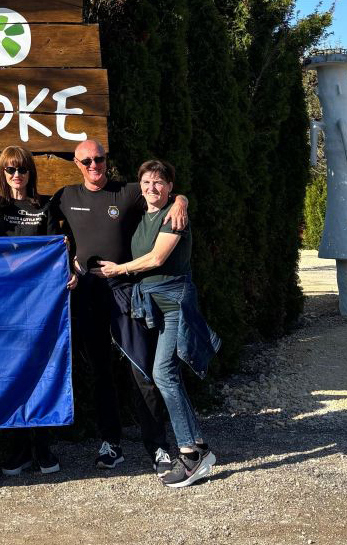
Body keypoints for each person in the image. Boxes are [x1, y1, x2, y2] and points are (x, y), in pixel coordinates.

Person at [50, 139, 185, 475]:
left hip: (126, 291)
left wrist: (182, 200)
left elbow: (162, 194)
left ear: (105, 160)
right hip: (88, 293)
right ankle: (111, 443)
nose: (94, 166)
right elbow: (42, 227)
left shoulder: (127, 192)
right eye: (86, 161)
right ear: (77, 164)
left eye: (99, 159)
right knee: (100, 373)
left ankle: (158, 447)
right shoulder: (65, 197)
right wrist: (67, 263)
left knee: (141, 371)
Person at [99, 160, 219, 488]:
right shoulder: (143, 215)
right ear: (140, 186)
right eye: (147, 182)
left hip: (175, 304)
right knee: (166, 375)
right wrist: (182, 198)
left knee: (164, 374)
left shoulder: (173, 216)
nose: (153, 188)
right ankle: (199, 448)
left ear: (169, 187)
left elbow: (157, 258)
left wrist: (119, 269)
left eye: (160, 182)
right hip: (153, 307)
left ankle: (190, 455)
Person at [0, 146, 62, 477]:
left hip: (38, 300)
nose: (16, 175)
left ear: (30, 173)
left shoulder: (44, 206)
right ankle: (18, 448)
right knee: (10, 372)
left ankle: (42, 445)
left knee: (40, 369)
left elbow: (53, 248)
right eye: (10, 169)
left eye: (22, 169)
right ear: (2, 172)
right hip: (4, 303)